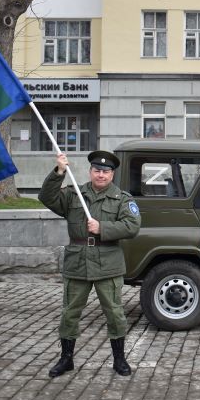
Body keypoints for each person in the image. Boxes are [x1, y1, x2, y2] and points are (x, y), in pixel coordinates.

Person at [40, 150, 142, 378]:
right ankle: (66, 359)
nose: (101, 175)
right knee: (70, 313)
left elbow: (132, 226)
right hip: (78, 261)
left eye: (106, 172)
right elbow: (47, 198)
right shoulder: (75, 193)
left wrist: (103, 228)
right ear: (90, 171)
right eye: (97, 170)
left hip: (108, 262)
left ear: (112, 174)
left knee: (114, 313)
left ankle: (119, 359)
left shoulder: (122, 198)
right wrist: (59, 172)